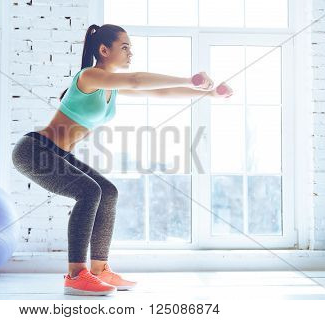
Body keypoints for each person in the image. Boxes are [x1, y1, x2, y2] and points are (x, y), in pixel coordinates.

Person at [12, 24, 233, 296]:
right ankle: (75, 275)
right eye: (125, 47)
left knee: (107, 191)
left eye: (131, 49)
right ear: (104, 50)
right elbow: (137, 80)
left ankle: (99, 269)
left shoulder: (111, 87)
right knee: (89, 191)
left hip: (57, 153)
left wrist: (208, 94)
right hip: (35, 151)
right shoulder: (90, 76)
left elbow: (159, 93)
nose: (130, 54)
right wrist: (189, 79)